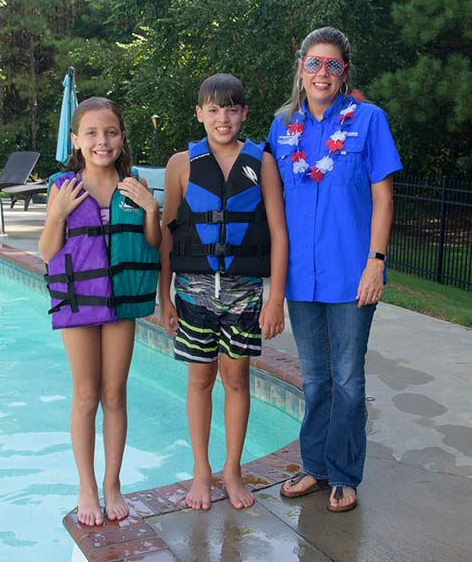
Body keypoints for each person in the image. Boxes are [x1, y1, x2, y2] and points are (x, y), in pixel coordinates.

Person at [268, 27, 402, 513]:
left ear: (345, 72)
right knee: (314, 377)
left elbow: (383, 197)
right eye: (314, 63)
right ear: (300, 66)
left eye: (333, 65)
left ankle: (344, 473)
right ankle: (315, 466)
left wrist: (376, 262)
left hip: (351, 273)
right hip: (302, 275)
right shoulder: (281, 127)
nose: (322, 73)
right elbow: (271, 199)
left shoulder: (369, 121)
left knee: (347, 377)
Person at [159, 73, 288, 510]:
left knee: (236, 380)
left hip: (246, 293)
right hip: (193, 293)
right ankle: (201, 472)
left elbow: (279, 232)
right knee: (199, 380)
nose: (223, 118)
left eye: (232, 108)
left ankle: (232, 471)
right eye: (213, 109)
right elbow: (168, 235)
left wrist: (275, 299)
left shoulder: (262, 162)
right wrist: (164, 297)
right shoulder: (181, 164)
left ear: (244, 112)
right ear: (199, 113)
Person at [38, 97, 161, 526]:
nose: (101, 141)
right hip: (79, 300)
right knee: (86, 394)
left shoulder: (134, 184)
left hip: (122, 300)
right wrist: (57, 215)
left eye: (110, 132)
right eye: (90, 133)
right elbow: (48, 251)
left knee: (115, 393)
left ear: (122, 137)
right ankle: (86, 486)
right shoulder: (63, 186)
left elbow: (153, 241)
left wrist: (152, 208)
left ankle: (113, 483)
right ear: (76, 140)